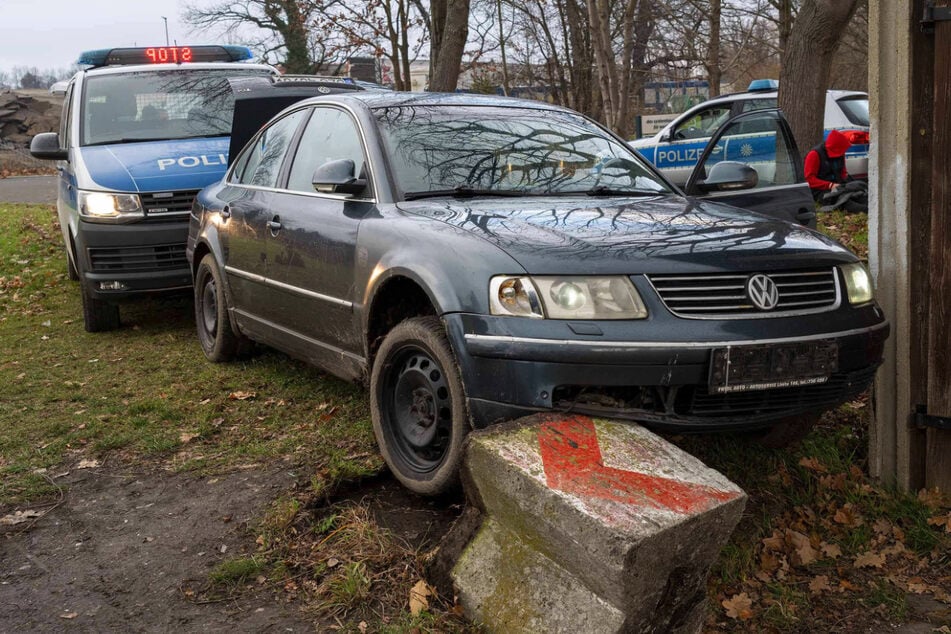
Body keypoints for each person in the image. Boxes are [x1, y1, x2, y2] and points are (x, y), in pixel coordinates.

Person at [804, 129, 868, 213]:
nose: (843, 153)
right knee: (845, 202)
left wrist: (847, 183)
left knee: (860, 193)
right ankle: (865, 210)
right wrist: (830, 185)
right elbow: (809, 179)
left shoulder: (840, 154)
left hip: (839, 186)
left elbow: (843, 173)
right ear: (835, 147)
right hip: (821, 191)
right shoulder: (814, 155)